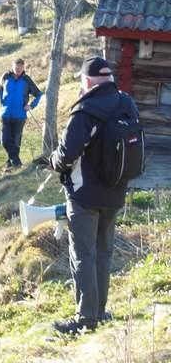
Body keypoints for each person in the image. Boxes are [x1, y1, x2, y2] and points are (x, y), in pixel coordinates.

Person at [49, 57, 139, 335]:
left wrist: (53, 161)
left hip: (84, 195)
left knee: (83, 255)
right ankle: (99, 310)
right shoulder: (127, 103)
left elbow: (66, 154)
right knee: (103, 252)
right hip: (116, 190)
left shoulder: (85, 111)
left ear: (87, 82)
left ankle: (86, 319)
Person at [0, 58, 42, 169]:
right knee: (4, 141)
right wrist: (2, 102)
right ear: (12, 66)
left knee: (15, 142)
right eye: (16, 68)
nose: (18, 70)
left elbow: (38, 94)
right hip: (6, 114)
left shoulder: (27, 80)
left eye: (20, 68)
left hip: (20, 116)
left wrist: (31, 106)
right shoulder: (6, 76)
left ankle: (10, 164)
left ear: (23, 68)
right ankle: (17, 163)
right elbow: (0, 89)